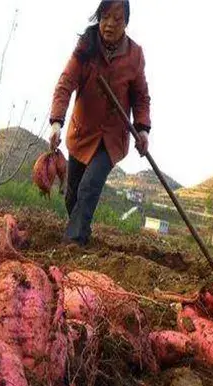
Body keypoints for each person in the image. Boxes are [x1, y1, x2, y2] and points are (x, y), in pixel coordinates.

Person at [49, 0, 151, 246]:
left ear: (126, 23)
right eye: (105, 17)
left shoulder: (134, 55)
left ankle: (74, 243)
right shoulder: (87, 45)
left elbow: (141, 97)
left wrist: (143, 128)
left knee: (89, 186)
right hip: (82, 133)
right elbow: (65, 83)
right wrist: (56, 122)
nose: (109, 25)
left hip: (111, 138)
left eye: (117, 19)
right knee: (72, 196)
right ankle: (82, 230)